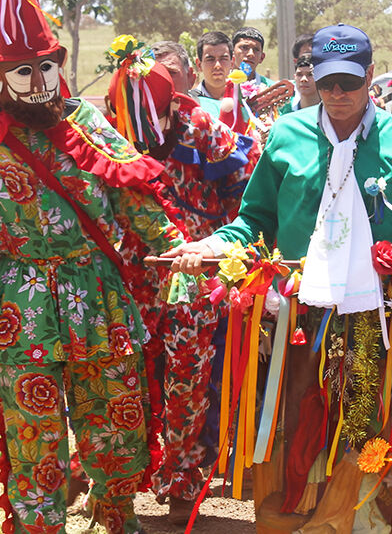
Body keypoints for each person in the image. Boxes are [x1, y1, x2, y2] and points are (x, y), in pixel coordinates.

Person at [162, 22, 392, 531]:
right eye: (327, 83)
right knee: (297, 430)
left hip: (382, 321)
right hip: (299, 320)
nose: (338, 94)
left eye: (350, 82)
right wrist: (207, 247)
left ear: (371, 75)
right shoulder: (285, 137)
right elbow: (253, 223)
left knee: (370, 432)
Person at [0, 0, 196, 533]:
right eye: (23, 70)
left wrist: (175, 247)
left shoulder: (88, 124)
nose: (38, 81)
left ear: (61, 65)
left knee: (118, 429)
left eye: (47, 67)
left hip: (97, 298)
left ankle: (118, 517)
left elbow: (134, 196)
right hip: (18, 310)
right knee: (35, 442)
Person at [106, 39, 260, 524]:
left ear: (186, 79)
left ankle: (183, 485)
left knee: (189, 381)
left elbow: (246, 185)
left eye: (172, 74)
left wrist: (225, 251)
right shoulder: (113, 127)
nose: (163, 83)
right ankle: (116, 481)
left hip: (193, 276)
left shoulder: (199, 125)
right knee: (128, 378)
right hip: (131, 277)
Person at [191, 30, 234, 102]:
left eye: (223, 59)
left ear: (232, 63)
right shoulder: (190, 103)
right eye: (210, 59)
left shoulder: (243, 100)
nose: (217, 65)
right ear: (199, 65)